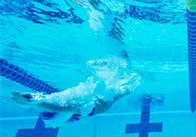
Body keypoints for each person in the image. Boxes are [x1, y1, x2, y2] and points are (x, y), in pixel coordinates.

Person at [11, 56, 141, 126]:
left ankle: (34, 101)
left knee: (68, 104)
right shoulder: (103, 101)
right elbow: (65, 109)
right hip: (80, 111)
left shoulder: (54, 115)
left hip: (67, 112)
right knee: (110, 95)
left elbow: (62, 108)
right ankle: (34, 101)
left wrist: (34, 101)